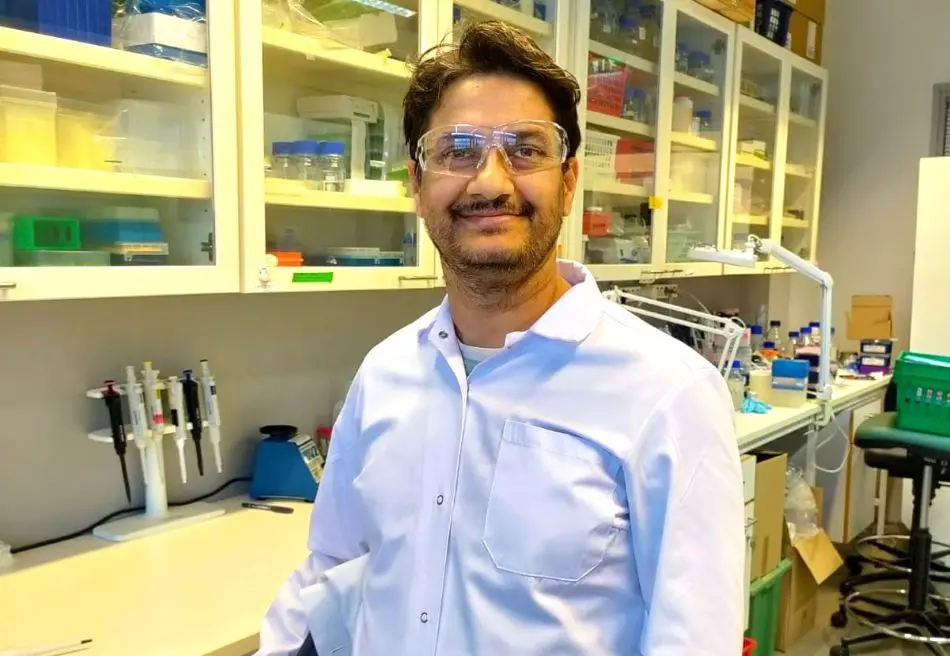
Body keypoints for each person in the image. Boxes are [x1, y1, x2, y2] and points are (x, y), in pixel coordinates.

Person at [258, 20, 745, 656]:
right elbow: (332, 566)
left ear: (568, 182)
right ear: (418, 185)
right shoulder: (384, 375)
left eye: (526, 148)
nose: (490, 182)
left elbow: (694, 640)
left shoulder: (668, 393)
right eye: (457, 150)